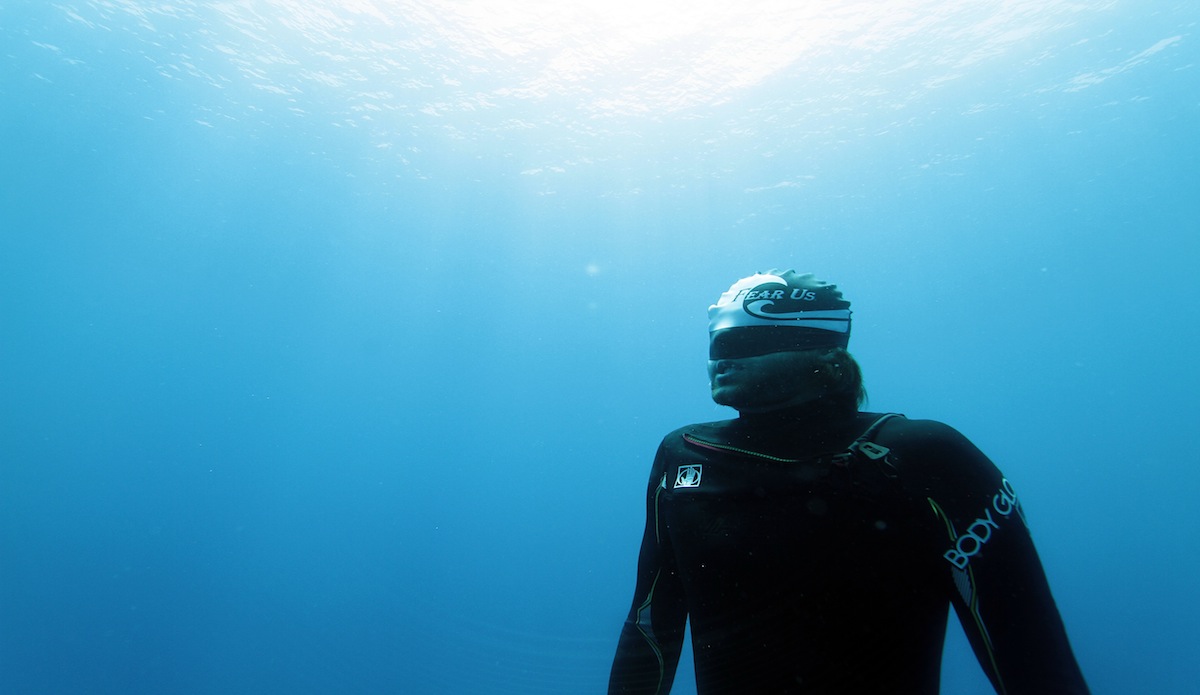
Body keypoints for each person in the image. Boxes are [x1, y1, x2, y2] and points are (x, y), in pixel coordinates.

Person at [608, 270, 1090, 694]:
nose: (723, 360)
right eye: (717, 344)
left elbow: (1026, 646)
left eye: (747, 344)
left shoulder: (926, 454)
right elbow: (650, 623)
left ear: (824, 355)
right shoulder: (682, 454)